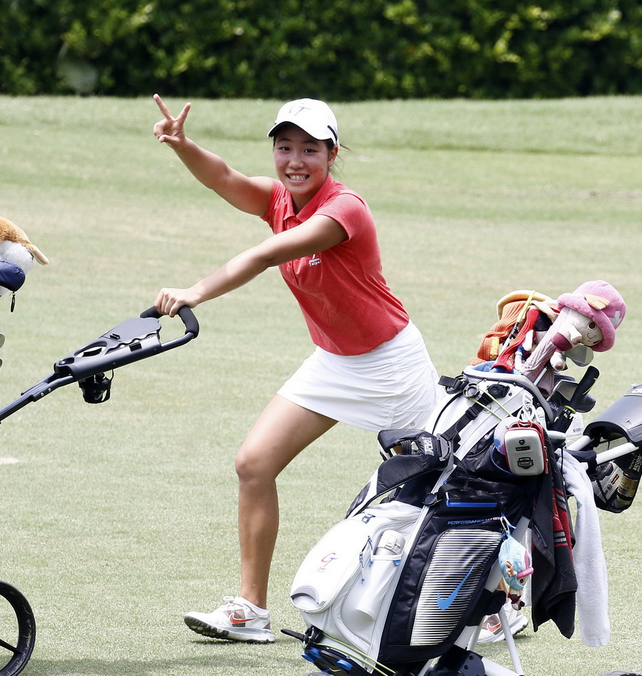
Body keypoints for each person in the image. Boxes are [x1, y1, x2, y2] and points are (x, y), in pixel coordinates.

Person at [150, 95, 440, 643]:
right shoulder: (279, 198)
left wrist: (195, 291)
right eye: (285, 147)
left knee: (436, 488)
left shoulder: (344, 209)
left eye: (310, 148)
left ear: (332, 154)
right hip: (333, 362)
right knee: (254, 463)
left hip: (391, 366)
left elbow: (263, 257)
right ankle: (249, 610)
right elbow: (224, 178)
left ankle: (496, 604)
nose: (295, 160)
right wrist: (183, 145)